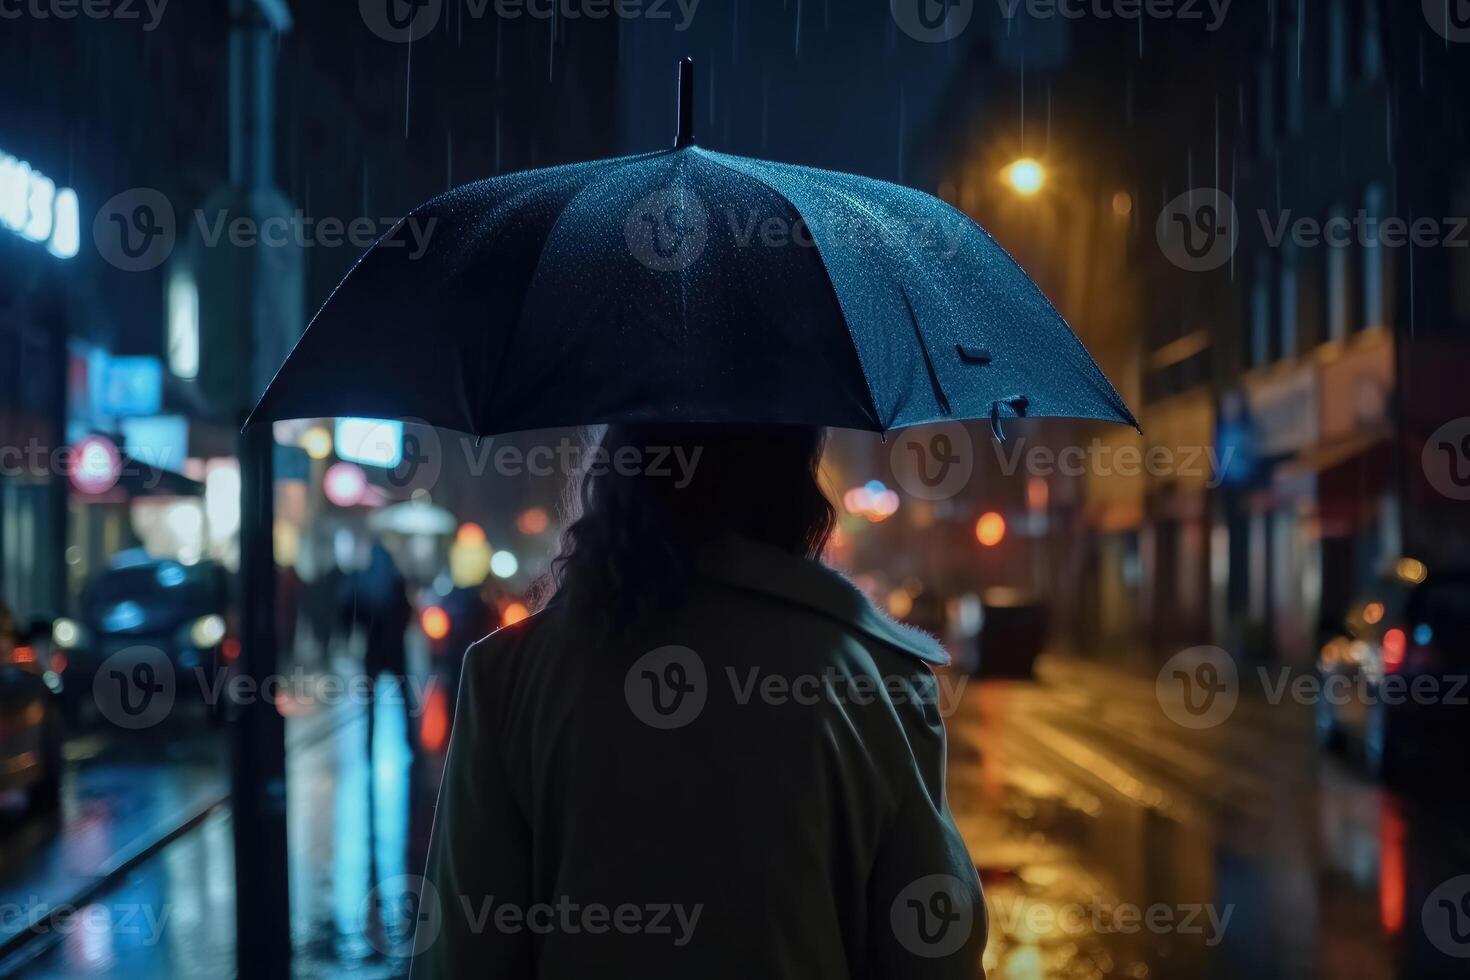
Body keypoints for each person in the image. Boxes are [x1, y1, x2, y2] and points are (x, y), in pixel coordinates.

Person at [412, 425, 985, 979]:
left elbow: (463, 953)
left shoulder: (512, 677)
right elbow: (932, 949)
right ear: (795, 474)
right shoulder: (878, 683)